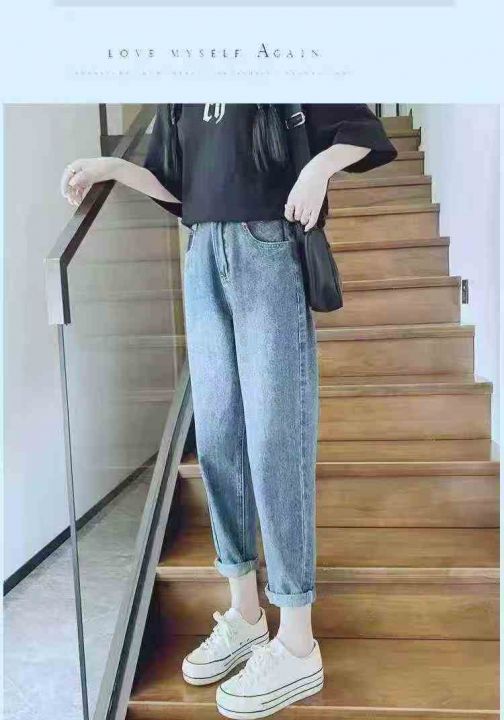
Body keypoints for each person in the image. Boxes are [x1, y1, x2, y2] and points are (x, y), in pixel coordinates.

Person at [61, 103, 397, 719]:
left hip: (266, 248)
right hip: (201, 257)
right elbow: (179, 188)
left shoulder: (277, 64)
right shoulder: (183, 90)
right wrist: (114, 168)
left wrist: (318, 168)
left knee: (275, 442)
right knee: (217, 441)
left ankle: (297, 643)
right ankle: (245, 613)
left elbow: (363, 132)